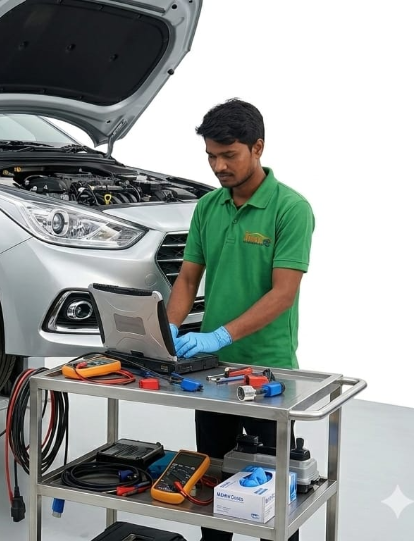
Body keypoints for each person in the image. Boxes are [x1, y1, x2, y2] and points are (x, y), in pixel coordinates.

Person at [165, 99, 314, 541]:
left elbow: (283, 293)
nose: (219, 166)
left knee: (276, 501)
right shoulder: (208, 207)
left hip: (269, 372)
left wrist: (220, 335)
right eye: (211, 156)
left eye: (229, 155)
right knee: (212, 485)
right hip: (212, 372)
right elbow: (187, 278)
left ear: (258, 147)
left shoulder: (291, 208)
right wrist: (169, 329)